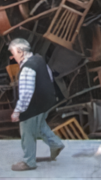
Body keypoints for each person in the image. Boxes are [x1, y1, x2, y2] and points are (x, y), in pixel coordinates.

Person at [8, 38, 64, 171]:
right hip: (46, 102)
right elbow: (49, 77)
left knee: (27, 131)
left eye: (13, 53)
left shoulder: (27, 68)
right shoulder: (39, 59)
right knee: (39, 125)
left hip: (34, 105)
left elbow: (26, 94)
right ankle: (55, 144)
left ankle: (29, 162)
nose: (12, 57)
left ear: (20, 52)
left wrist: (17, 112)